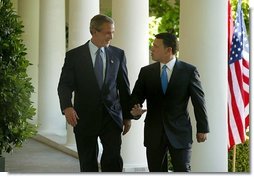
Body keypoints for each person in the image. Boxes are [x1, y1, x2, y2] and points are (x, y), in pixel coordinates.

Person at [57, 14, 132, 172]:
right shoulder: (74, 56)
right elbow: (64, 85)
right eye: (107, 32)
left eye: (112, 32)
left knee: (113, 160)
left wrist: (127, 116)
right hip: (84, 118)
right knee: (88, 162)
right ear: (93, 31)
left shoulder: (118, 54)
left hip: (111, 118)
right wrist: (67, 107)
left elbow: (124, 87)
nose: (111, 36)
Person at [130, 32, 209, 172]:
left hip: (180, 132)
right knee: (156, 171)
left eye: (155, 46)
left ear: (168, 50)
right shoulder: (146, 72)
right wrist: (135, 111)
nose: (151, 49)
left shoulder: (189, 71)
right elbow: (136, 97)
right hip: (154, 132)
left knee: (182, 170)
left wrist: (202, 128)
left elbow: (199, 101)